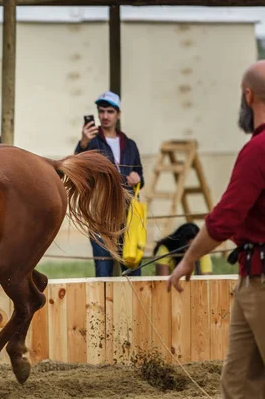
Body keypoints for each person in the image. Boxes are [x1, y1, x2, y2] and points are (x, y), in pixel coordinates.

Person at [168, 60, 265, 399]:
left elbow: (225, 218)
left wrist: (189, 258)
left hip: (262, 282)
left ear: (248, 96)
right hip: (251, 276)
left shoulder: (257, 150)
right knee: (238, 382)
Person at [74, 91, 144, 277]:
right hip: (100, 215)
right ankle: (103, 307)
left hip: (127, 215)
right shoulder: (91, 141)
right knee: (103, 275)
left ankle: (134, 307)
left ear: (118, 114)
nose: (105, 116)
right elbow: (76, 167)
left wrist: (137, 177)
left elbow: (141, 176)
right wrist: (82, 143)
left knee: (132, 271)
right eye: (101, 111)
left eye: (110, 111)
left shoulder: (130, 144)